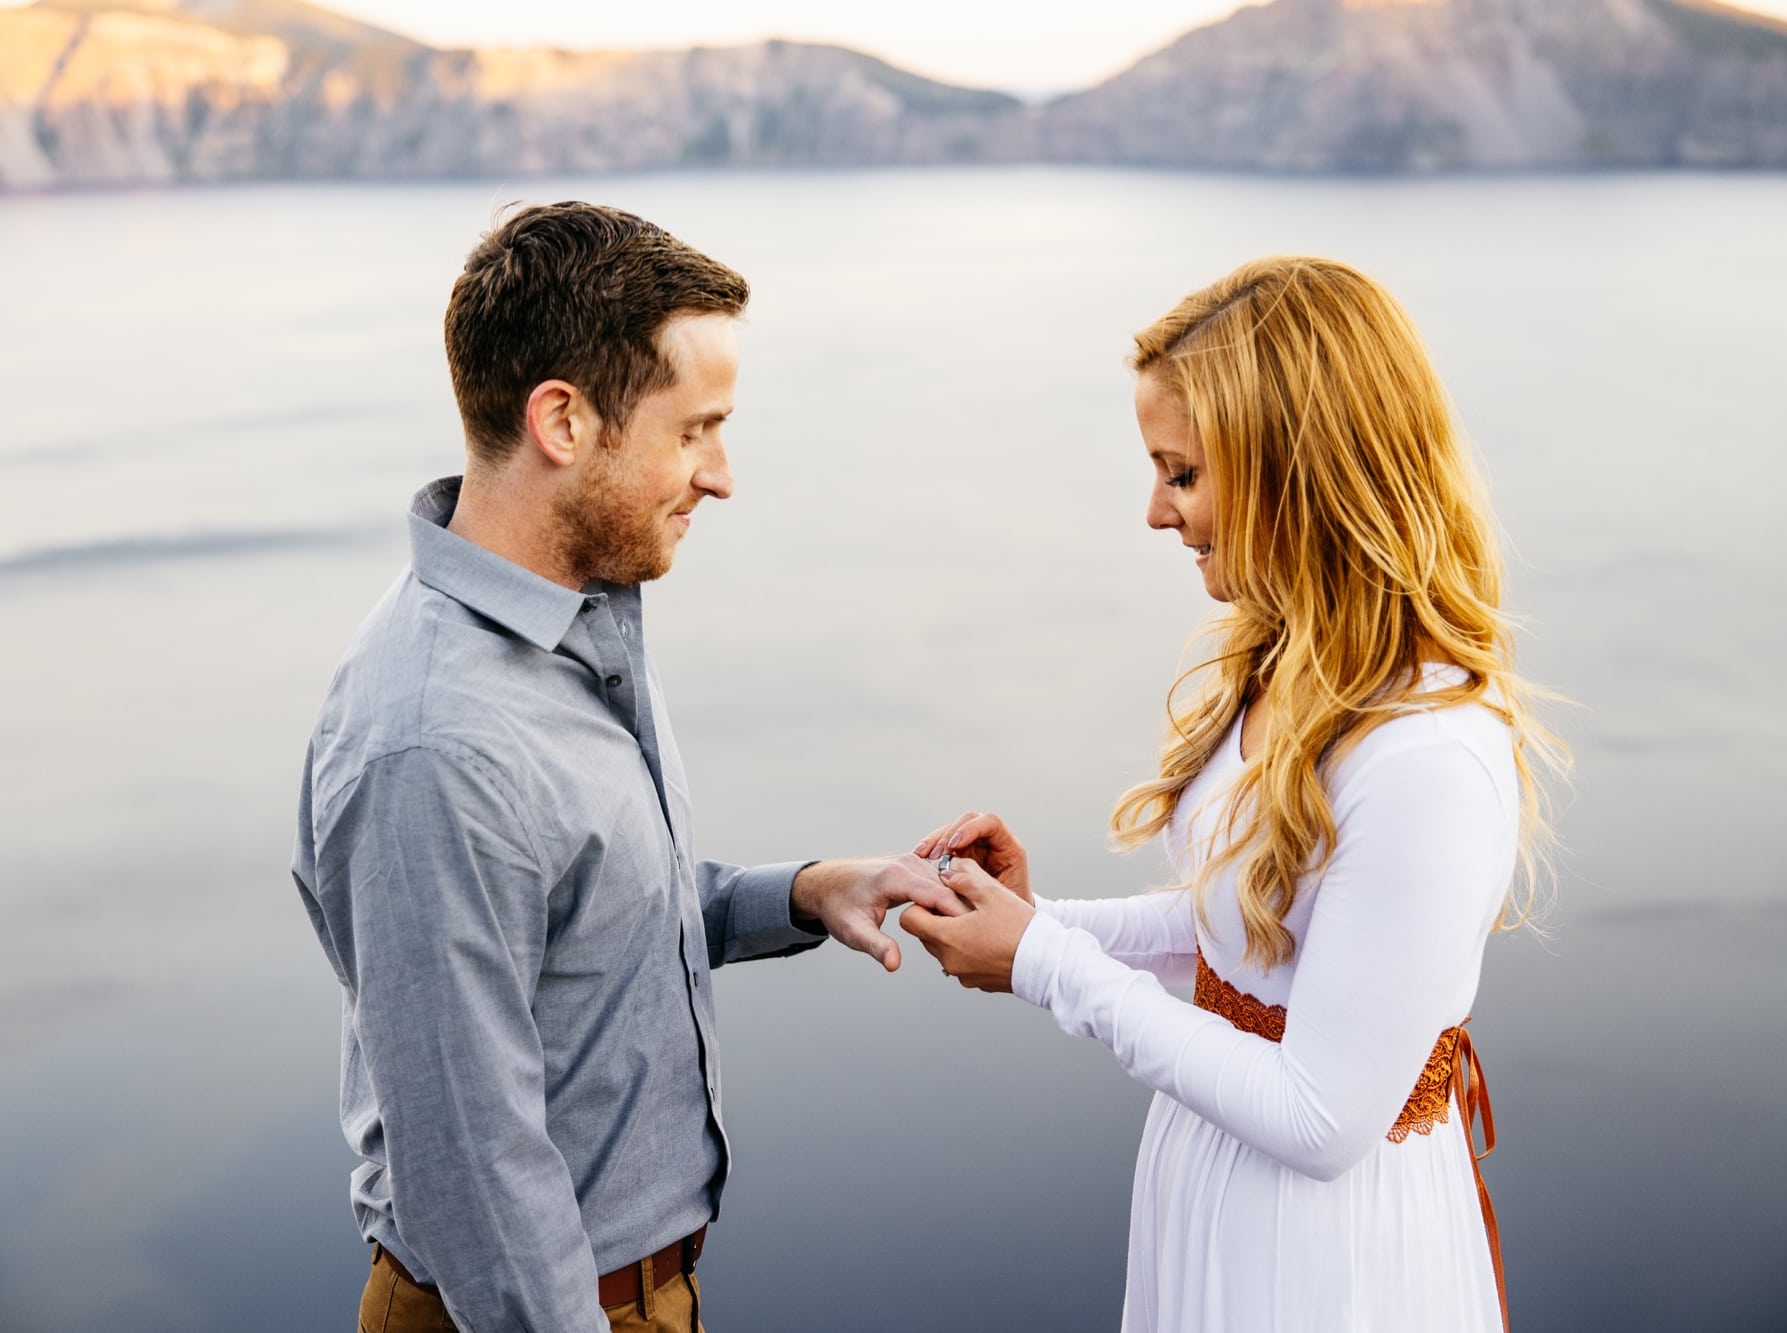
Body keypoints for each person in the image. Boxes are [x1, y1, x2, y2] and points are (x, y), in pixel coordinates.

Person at [291, 201, 961, 1333]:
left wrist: (801, 892)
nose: (721, 475)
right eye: (694, 428)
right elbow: (475, 1179)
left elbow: (582, 914)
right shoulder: (439, 745)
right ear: (563, 420)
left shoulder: (573, 621)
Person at [902, 256, 1566, 1333]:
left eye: (1180, 474)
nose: (1156, 513)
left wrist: (1043, 965)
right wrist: (1033, 923)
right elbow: (1250, 927)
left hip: (1327, 1250)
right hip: (1215, 1182)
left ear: (1291, 471)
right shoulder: (1292, 665)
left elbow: (1320, 1118)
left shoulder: (1426, 755)